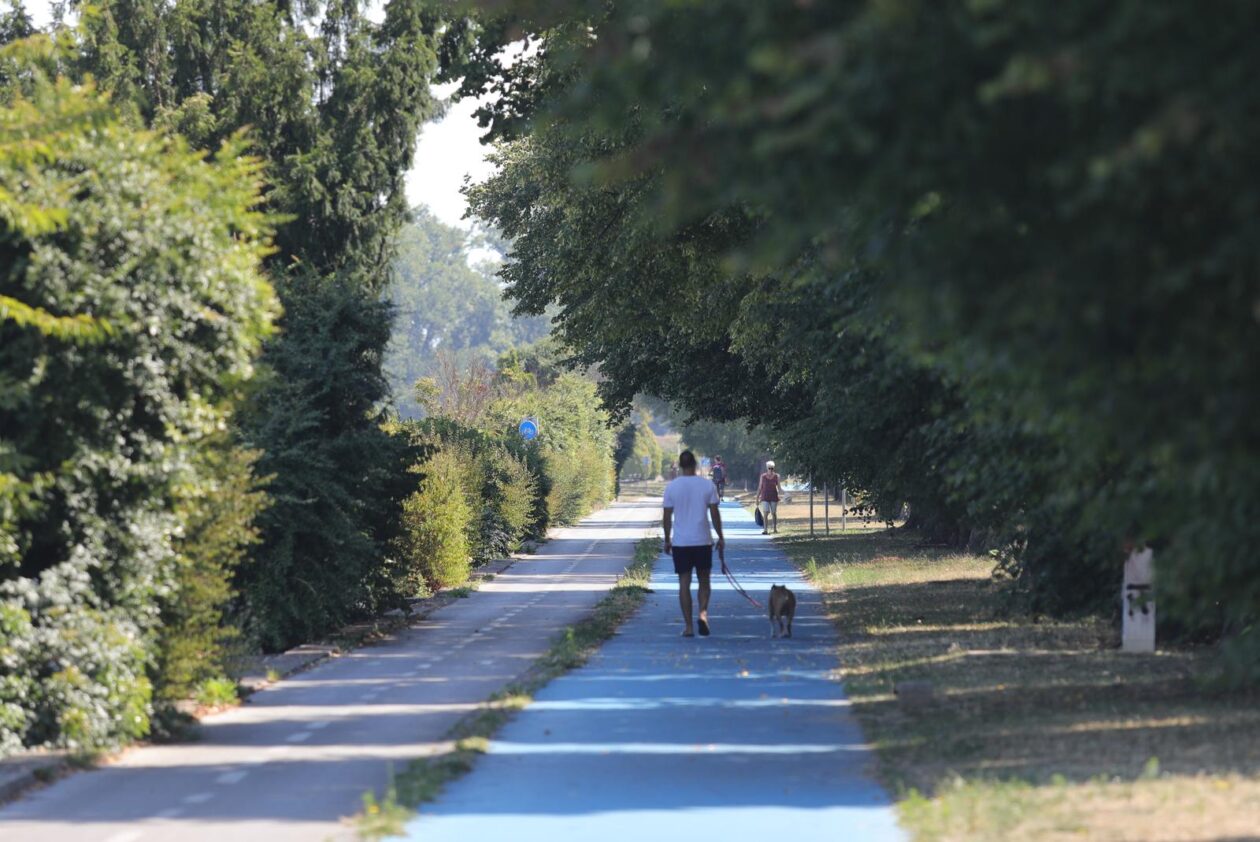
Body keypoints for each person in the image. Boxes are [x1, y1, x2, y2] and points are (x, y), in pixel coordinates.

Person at [662, 449, 725, 637]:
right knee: (704, 580)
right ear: (695, 464)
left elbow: (666, 516)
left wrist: (667, 539)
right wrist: (720, 536)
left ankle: (689, 627)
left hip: (681, 542)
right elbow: (714, 513)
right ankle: (703, 614)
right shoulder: (707, 485)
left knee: (684, 583)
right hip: (702, 540)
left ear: (680, 465)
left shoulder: (672, 487)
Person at [757, 459, 782, 535]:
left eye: (772, 468)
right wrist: (757, 498)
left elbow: (779, 488)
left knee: (773, 513)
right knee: (765, 513)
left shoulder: (777, 476)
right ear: (767, 468)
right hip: (765, 496)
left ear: (773, 468)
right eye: (769, 468)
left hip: (773, 496)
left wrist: (786, 494)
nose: (770, 470)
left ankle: (775, 529)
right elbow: (760, 487)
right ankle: (765, 530)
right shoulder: (763, 476)